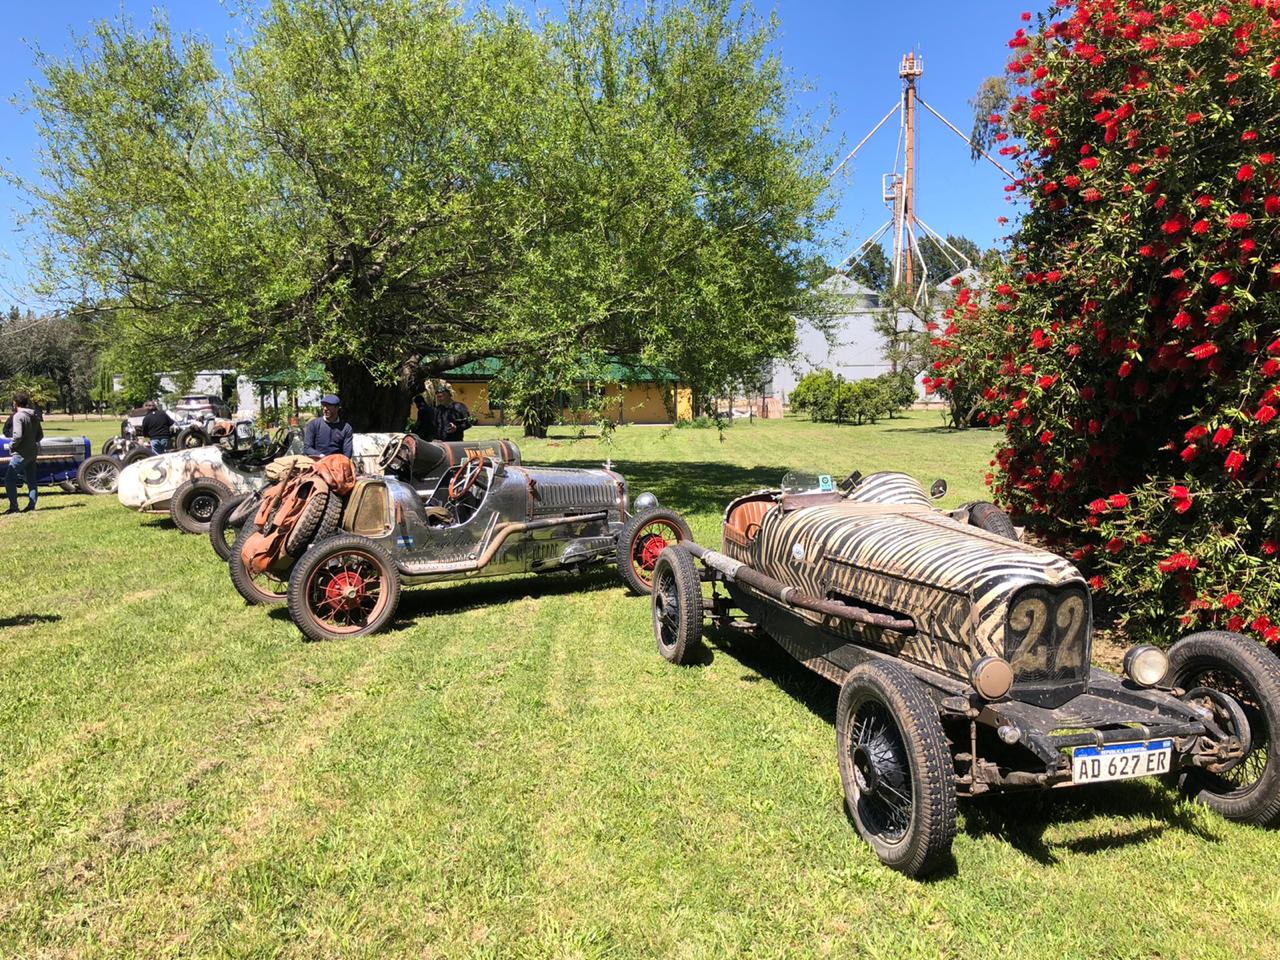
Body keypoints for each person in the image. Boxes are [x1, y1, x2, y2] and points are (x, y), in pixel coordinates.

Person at [4, 390, 44, 514]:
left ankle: (14, 507)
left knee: (9, 479)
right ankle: (31, 505)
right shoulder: (35, 415)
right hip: (32, 451)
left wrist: (11, 446)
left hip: (21, 453)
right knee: (31, 480)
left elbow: (17, 435)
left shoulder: (18, 416)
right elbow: (40, 435)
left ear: (15, 403)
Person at [303, 394, 354, 458]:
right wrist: (321, 456)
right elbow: (307, 448)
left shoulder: (346, 428)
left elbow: (347, 454)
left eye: (328, 406)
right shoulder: (313, 424)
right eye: (324, 405)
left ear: (337, 407)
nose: (325, 409)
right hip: (316, 462)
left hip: (337, 464)